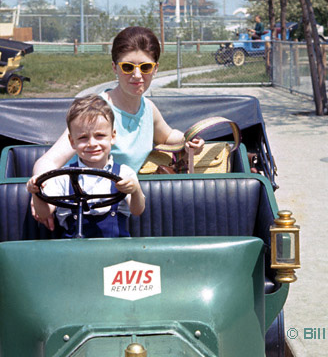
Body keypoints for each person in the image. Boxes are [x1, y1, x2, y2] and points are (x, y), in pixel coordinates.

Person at [28, 26, 204, 230]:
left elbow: (167, 136)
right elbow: (49, 160)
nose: (137, 75)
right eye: (128, 67)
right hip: (82, 208)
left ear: (155, 69)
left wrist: (189, 140)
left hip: (121, 209)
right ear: (114, 67)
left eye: (145, 67)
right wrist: (40, 194)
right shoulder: (96, 111)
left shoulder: (148, 109)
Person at [41, 94, 145, 238]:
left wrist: (135, 190)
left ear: (113, 136)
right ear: (72, 141)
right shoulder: (64, 177)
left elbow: (137, 210)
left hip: (116, 251)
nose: (92, 143)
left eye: (100, 135)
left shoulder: (124, 173)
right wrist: (35, 192)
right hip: (73, 252)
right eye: (83, 137)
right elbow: (44, 213)